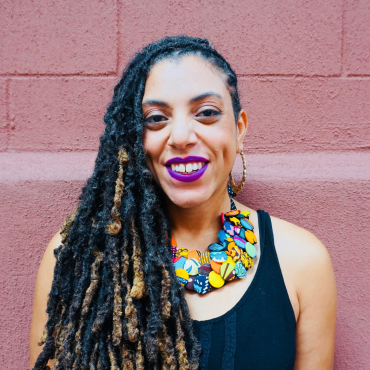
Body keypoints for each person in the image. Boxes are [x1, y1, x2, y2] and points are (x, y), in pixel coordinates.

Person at [29, 35, 337, 370]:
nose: (180, 137)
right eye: (156, 118)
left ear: (240, 129)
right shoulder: (78, 258)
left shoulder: (303, 263)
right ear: (132, 136)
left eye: (206, 113)